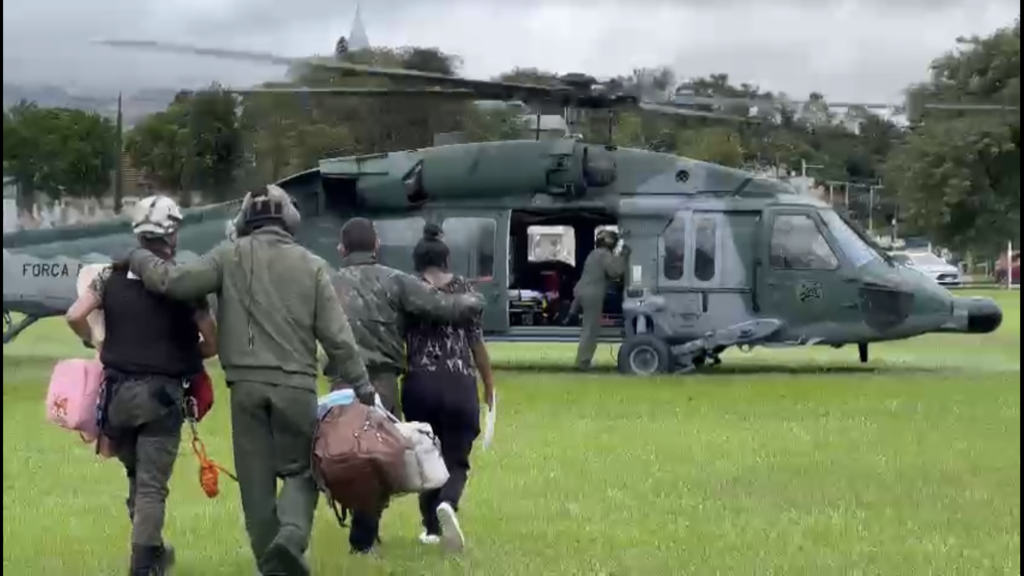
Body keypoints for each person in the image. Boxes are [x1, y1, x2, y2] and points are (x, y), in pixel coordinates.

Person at [126, 185, 373, 576]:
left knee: (255, 486)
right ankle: (291, 538)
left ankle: (271, 565)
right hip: (296, 388)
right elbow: (338, 338)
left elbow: (173, 283)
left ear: (244, 221)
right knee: (301, 470)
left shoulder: (227, 256)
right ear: (289, 220)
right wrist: (363, 387)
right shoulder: (312, 266)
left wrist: (139, 255)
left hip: (244, 389)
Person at [65, 195, 218, 575]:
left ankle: (151, 551)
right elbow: (212, 342)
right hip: (161, 399)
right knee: (152, 487)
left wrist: (97, 342)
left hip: (117, 398)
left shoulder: (109, 275)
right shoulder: (183, 283)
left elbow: (74, 315)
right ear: (173, 232)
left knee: (137, 478)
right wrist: (187, 352)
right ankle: (144, 564)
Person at [328, 218, 486, 555]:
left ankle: (361, 530)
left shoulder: (327, 282)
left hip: (340, 382)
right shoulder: (394, 281)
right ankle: (365, 536)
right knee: (378, 458)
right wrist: (472, 301)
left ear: (341, 249)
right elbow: (442, 307)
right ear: (377, 246)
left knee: (343, 455)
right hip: (381, 384)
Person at [402, 225, 496, 552]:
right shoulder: (464, 289)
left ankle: (430, 528)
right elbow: (476, 342)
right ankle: (449, 503)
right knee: (457, 457)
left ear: (416, 260)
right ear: (447, 259)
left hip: (419, 383)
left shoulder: (409, 289)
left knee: (426, 454)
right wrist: (488, 385)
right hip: (459, 383)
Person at [569, 229, 630, 370]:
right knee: (590, 329)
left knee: (587, 327)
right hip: (592, 295)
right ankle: (582, 362)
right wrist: (624, 256)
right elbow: (615, 271)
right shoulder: (604, 254)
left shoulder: (594, 253)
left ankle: (570, 315)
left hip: (580, 291)